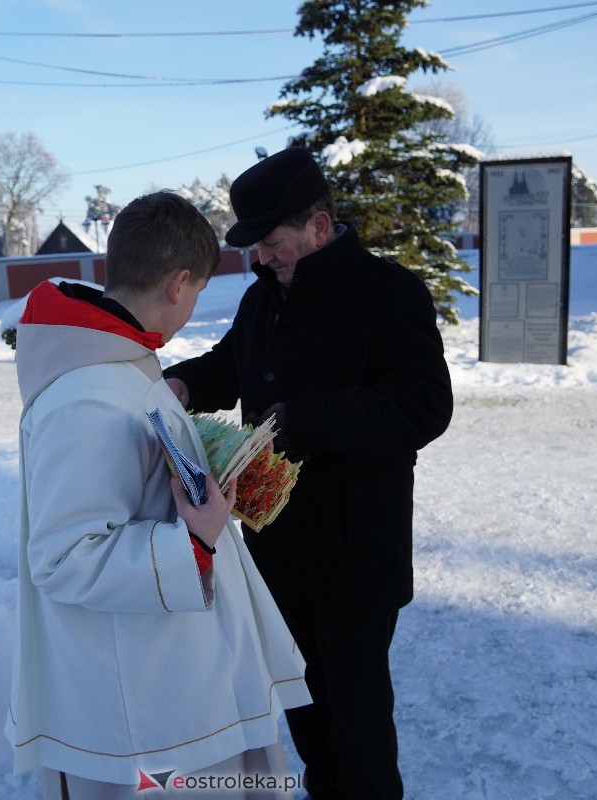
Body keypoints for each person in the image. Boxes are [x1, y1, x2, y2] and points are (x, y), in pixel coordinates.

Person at [163, 148, 454, 800]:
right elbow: (229, 362)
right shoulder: (264, 298)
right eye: (257, 246)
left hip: (355, 557)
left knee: (358, 734)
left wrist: (304, 421)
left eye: (271, 241)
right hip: (279, 551)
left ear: (319, 228)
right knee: (309, 721)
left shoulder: (389, 295)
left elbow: (425, 405)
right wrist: (180, 384)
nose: (262, 256)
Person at [7, 191, 310, 799]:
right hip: (143, 714)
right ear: (178, 283)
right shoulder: (87, 395)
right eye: (197, 292)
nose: (191, 306)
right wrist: (194, 540)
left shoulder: (120, 366)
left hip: (174, 681)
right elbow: (64, 555)